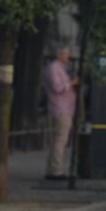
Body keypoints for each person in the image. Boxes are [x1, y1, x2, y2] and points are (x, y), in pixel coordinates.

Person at [41, 47, 79, 180]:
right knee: (60, 140)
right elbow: (58, 87)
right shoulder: (54, 69)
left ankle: (52, 168)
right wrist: (71, 83)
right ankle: (56, 170)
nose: (67, 57)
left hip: (64, 108)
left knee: (58, 140)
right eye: (65, 54)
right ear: (59, 54)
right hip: (61, 109)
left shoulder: (58, 68)